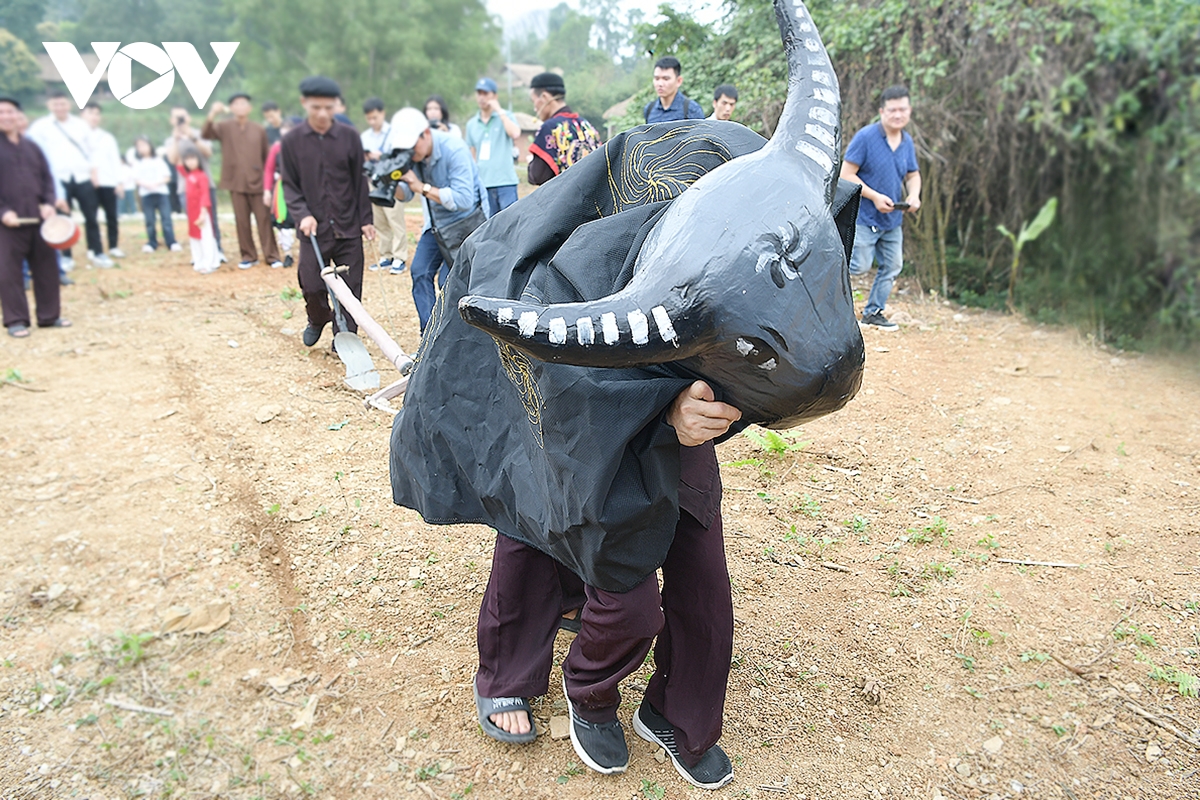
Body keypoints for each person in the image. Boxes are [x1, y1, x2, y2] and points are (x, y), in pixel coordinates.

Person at [280, 76, 375, 347]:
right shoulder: (292, 142)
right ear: (305, 104)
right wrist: (302, 214)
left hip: (348, 225)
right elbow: (289, 185)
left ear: (336, 106)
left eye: (328, 108)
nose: (322, 113)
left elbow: (359, 182)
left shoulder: (349, 138)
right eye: (316, 107)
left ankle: (345, 337)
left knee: (350, 288)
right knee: (311, 284)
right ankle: (317, 318)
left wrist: (366, 220)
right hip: (314, 228)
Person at [388, 107, 487, 332]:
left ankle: (457, 340)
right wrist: (390, 185)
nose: (410, 153)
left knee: (449, 282)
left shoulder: (454, 149)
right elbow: (408, 193)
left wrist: (421, 187)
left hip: (465, 224)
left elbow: (463, 199)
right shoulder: (414, 154)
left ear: (426, 134)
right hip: (436, 225)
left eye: (412, 146)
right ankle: (429, 336)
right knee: (420, 271)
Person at [839, 84, 921, 331]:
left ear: (909, 111)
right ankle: (833, 310)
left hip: (893, 220)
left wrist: (914, 196)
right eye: (893, 110)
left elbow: (913, 174)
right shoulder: (866, 138)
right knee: (858, 266)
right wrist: (874, 197)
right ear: (882, 111)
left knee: (893, 266)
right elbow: (846, 174)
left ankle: (873, 312)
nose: (898, 115)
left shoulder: (906, 141)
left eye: (902, 110)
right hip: (865, 216)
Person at [0, 95, 71, 338]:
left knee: (47, 267)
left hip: (38, 220)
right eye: (1, 112)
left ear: (19, 116)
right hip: (8, 223)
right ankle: (16, 320)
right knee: (8, 272)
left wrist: (49, 204)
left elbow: (46, 179)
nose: (6, 117)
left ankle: (49, 316)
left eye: (10, 112)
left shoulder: (32, 147)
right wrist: (3, 211)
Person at [26, 91, 111, 268]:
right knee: (63, 219)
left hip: (82, 176)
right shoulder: (41, 127)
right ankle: (66, 256)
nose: (60, 108)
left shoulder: (80, 125)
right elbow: (33, 153)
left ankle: (97, 252)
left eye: (63, 104)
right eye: (56, 104)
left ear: (69, 105)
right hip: (59, 179)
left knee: (92, 216)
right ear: (49, 105)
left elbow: (92, 150)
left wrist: (94, 174)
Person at [202, 92, 282, 269]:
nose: (240, 107)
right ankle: (248, 255)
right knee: (241, 220)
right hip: (236, 181)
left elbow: (266, 156)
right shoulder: (224, 126)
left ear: (249, 108)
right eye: (236, 104)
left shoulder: (258, 129)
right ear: (231, 108)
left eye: (243, 103)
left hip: (258, 181)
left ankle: (272, 255)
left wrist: (269, 182)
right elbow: (206, 133)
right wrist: (212, 113)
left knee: (263, 220)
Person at [164, 106, 223, 258]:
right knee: (194, 221)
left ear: (189, 118)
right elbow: (172, 159)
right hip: (185, 187)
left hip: (205, 184)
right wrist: (177, 139)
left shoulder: (200, 134)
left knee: (211, 218)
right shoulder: (171, 140)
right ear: (171, 121)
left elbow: (208, 152)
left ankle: (217, 251)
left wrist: (192, 137)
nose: (180, 121)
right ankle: (199, 253)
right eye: (177, 118)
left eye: (182, 117)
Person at [527, 72, 602, 187]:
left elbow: (538, 176)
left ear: (545, 97)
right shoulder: (587, 126)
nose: (534, 108)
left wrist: (531, 165)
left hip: (565, 202)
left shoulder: (550, 128)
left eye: (534, 101)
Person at [360, 97, 408, 275]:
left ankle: (399, 256)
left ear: (382, 113)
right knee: (379, 220)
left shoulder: (394, 134)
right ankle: (385, 255)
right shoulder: (364, 137)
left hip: (391, 182)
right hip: (373, 181)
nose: (373, 121)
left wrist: (381, 156)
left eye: (375, 117)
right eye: (369, 118)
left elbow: (399, 158)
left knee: (395, 219)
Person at [465, 77, 521, 215]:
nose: (482, 98)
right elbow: (471, 154)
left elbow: (515, 133)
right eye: (479, 93)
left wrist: (499, 111)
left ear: (494, 96)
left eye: (486, 93)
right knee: (488, 226)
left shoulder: (506, 116)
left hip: (505, 181)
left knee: (511, 223)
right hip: (483, 184)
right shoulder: (472, 124)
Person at [81, 102, 125, 259]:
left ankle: (113, 246)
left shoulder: (107, 137)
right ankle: (93, 248)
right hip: (86, 182)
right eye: (90, 113)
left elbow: (115, 160)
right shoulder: (78, 136)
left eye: (97, 113)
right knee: (90, 217)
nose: (94, 117)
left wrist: (119, 182)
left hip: (108, 181)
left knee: (111, 216)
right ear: (82, 115)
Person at [262, 115, 299, 268]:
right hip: (281, 190)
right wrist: (267, 191)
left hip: (299, 187)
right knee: (282, 222)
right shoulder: (276, 148)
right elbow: (269, 169)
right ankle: (288, 253)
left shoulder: (302, 147)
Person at [132, 136, 178, 253]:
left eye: (144, 145)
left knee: (166, 219)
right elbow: (136, 179)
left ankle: (171, 242)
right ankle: (152, 243)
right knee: (149, 221)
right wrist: (146, 184)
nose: (142, 148)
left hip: (161, 193)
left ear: (150, 146)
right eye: (139, 146)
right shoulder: (137, 163)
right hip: (146, 195)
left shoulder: (158, 161)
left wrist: (156, 183)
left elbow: (167, 177)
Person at [178, 146, 219, 274]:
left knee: (206, 237)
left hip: (202, 212)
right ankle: (199, 261)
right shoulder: (189, 175)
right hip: (192, 212)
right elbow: (179, 166)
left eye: (193, 158)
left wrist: (203, 212)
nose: (190, 162)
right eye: (187, 159)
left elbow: (205, 195)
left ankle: (210, 263)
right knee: (194, 237)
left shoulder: (202, 176)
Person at [643, 57, 704, 124]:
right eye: (657, 79)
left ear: (679, 81)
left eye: (666, 79)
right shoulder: (649, 109)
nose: (660, 84)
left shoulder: (691, 109)